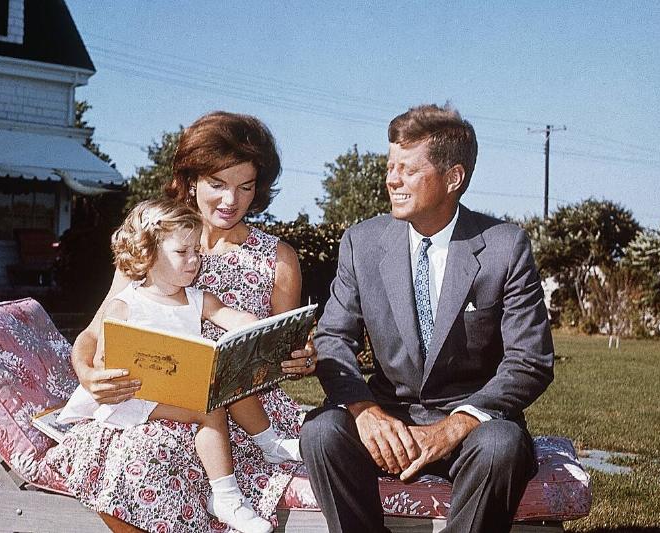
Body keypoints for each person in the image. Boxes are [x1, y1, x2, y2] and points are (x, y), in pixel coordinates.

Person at [43, 111, 315, 533]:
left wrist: (300, 356)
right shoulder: (152, 245)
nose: (231, 201)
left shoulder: (277, 259)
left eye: (245, 187)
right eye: (218, 185)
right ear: (191, 182)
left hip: (242, 414)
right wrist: (87, 372)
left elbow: (283, 343)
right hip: (153, 403)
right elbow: (95, 333)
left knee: (159, 453)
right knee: (140, 456)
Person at [301, 104, 555, 533]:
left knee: (502, 445)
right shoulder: (362, 242)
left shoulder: (504, 247)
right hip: (389, 414)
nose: (391, 179)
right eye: (390, 166)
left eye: (408, 169)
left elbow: (529, 361)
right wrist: (364, 410)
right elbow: (332, 339)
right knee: (322, 433)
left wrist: (456, 425)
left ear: (453, 178)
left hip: (472, 422)